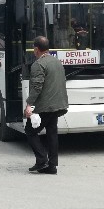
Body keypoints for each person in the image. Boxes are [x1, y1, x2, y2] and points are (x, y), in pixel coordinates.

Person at [24, 35, 69, 175]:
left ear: (36, 49)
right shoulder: (57, 62)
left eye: (33, 49)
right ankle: (52, 165)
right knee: (52, 134)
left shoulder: (38, 64)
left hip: (45, 106)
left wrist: (29, 105)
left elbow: (37, 87)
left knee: (30, 131)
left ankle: (42, 159)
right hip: (58, 105)